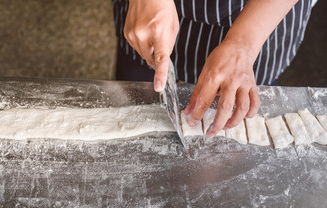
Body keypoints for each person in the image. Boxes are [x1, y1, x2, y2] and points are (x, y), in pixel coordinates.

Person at [112, 0, 312, 138]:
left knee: (232, 126)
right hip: (149, 11)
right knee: (133, 107)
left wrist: (244, 44)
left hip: (262, 17)